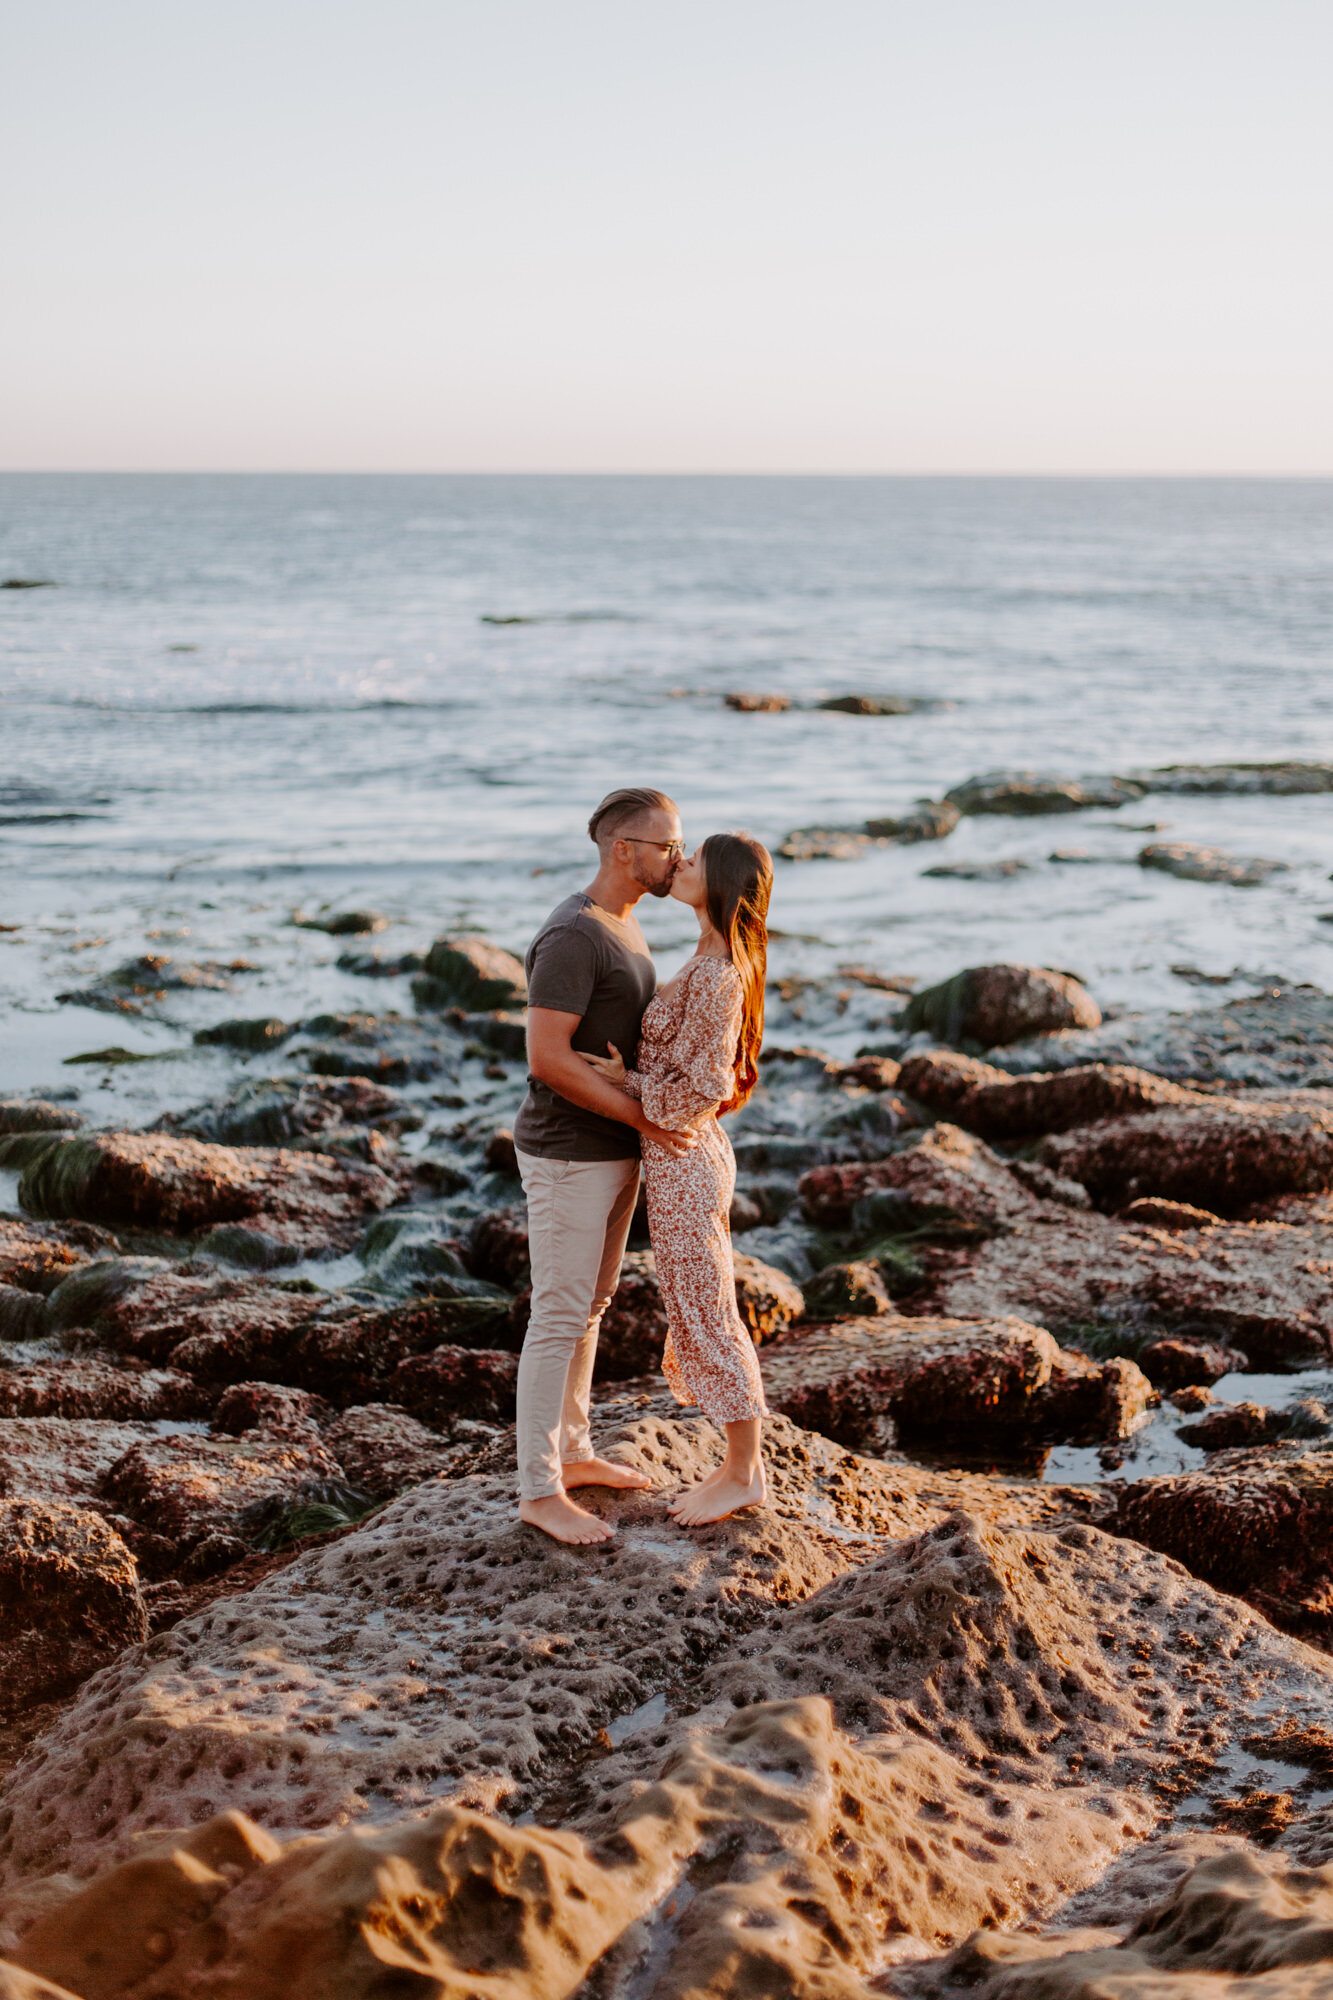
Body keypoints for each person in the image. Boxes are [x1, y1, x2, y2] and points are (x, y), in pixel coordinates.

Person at [513, 786, 699, 1546]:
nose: (678, 858)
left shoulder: (625, 926)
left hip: (614, 1147)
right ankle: (536, 1489)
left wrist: (639, 1105)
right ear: (624, 850)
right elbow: (547, 1058)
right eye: (666, 845)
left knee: (590, 1305)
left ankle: (575, 1452)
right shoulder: (574, 935)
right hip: (568, 1152)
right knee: (557, 1313)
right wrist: (641, 1114)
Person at [580, 831, 773, 1526]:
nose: (680, 862)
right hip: (679, 1157)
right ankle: (737, 1464)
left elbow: (705, 1085)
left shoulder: (721, 976)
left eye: (693, 860)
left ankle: (744, 1473)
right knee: (698, 1306)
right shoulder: (708, 957)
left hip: (686, 1158)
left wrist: (628, 1084)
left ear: (718, 884)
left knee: (709, 1312)